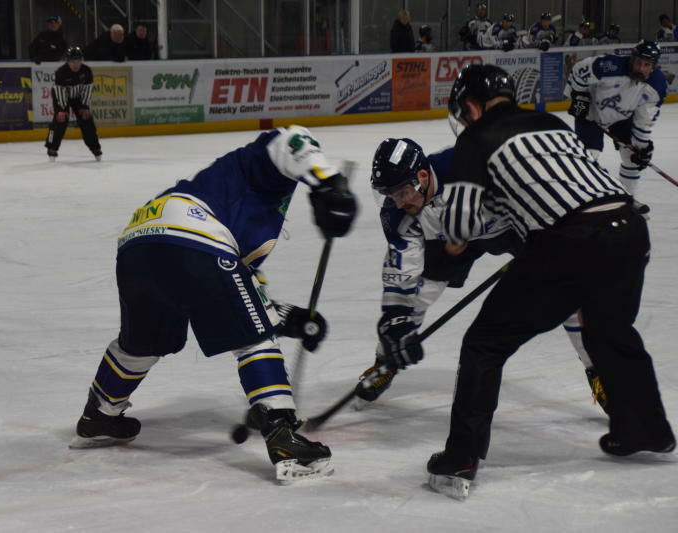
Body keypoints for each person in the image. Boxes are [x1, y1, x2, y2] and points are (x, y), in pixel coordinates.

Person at [423, 63, 674, 500]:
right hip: (629, 228)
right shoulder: (551, 123)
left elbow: (461, 227)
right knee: (610, 333)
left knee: (484, 344)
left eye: (463, 114)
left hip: (569, 242)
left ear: (470, 107)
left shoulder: (475, 139)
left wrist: (449, 251)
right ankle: (647, 429)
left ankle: (461, 457)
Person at [68, 125, 358, 482]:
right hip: (192, 228)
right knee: (253, 339)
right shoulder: (262, 166)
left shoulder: (235, 219)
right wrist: (330, 184)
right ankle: (284, 440)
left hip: (139, 238)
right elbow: (293, 138)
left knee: (144, 342)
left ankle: (98, 415)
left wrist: (293, 318)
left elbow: (244, 297)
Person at [354, 139, 609, 414]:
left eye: (402, 193)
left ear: (423, 177)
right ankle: (385, 363)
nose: (398, 202)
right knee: (414, 302)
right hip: (449, 238)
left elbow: (548, 178)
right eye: (390, 195)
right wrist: (396, 331)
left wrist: (593, 208)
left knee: (568, 295)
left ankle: (599, 370)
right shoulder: (397, 213)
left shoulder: (475, 165)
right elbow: (403, 272)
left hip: (511, 228)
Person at [565, 40, 667, 214]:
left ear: (654, 66)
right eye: (638, 63)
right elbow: (579, 71)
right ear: (632, 59)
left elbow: (644, 120)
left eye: (647, 65)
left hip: (622, 118)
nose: (641, 68)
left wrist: (642, 147)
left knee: (632, 157)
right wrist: (579, 95)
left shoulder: (657, 86)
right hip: (591, 113)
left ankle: (628, 198)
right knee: (590, 156)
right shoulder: (609, 65)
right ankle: (581, 199)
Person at [45, 46, 102, 162]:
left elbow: (87, 90)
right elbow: (60, 92)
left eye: (78, 61)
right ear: (67, 61)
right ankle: (51, 147)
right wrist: (61, 109)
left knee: (87, 120)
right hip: (61, 97)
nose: (75, 64)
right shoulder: (61, 72)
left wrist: (85, 106)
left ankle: (96, 148)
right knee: (59, 121)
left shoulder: (87, 71)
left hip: (78, 98)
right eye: (72, 62)